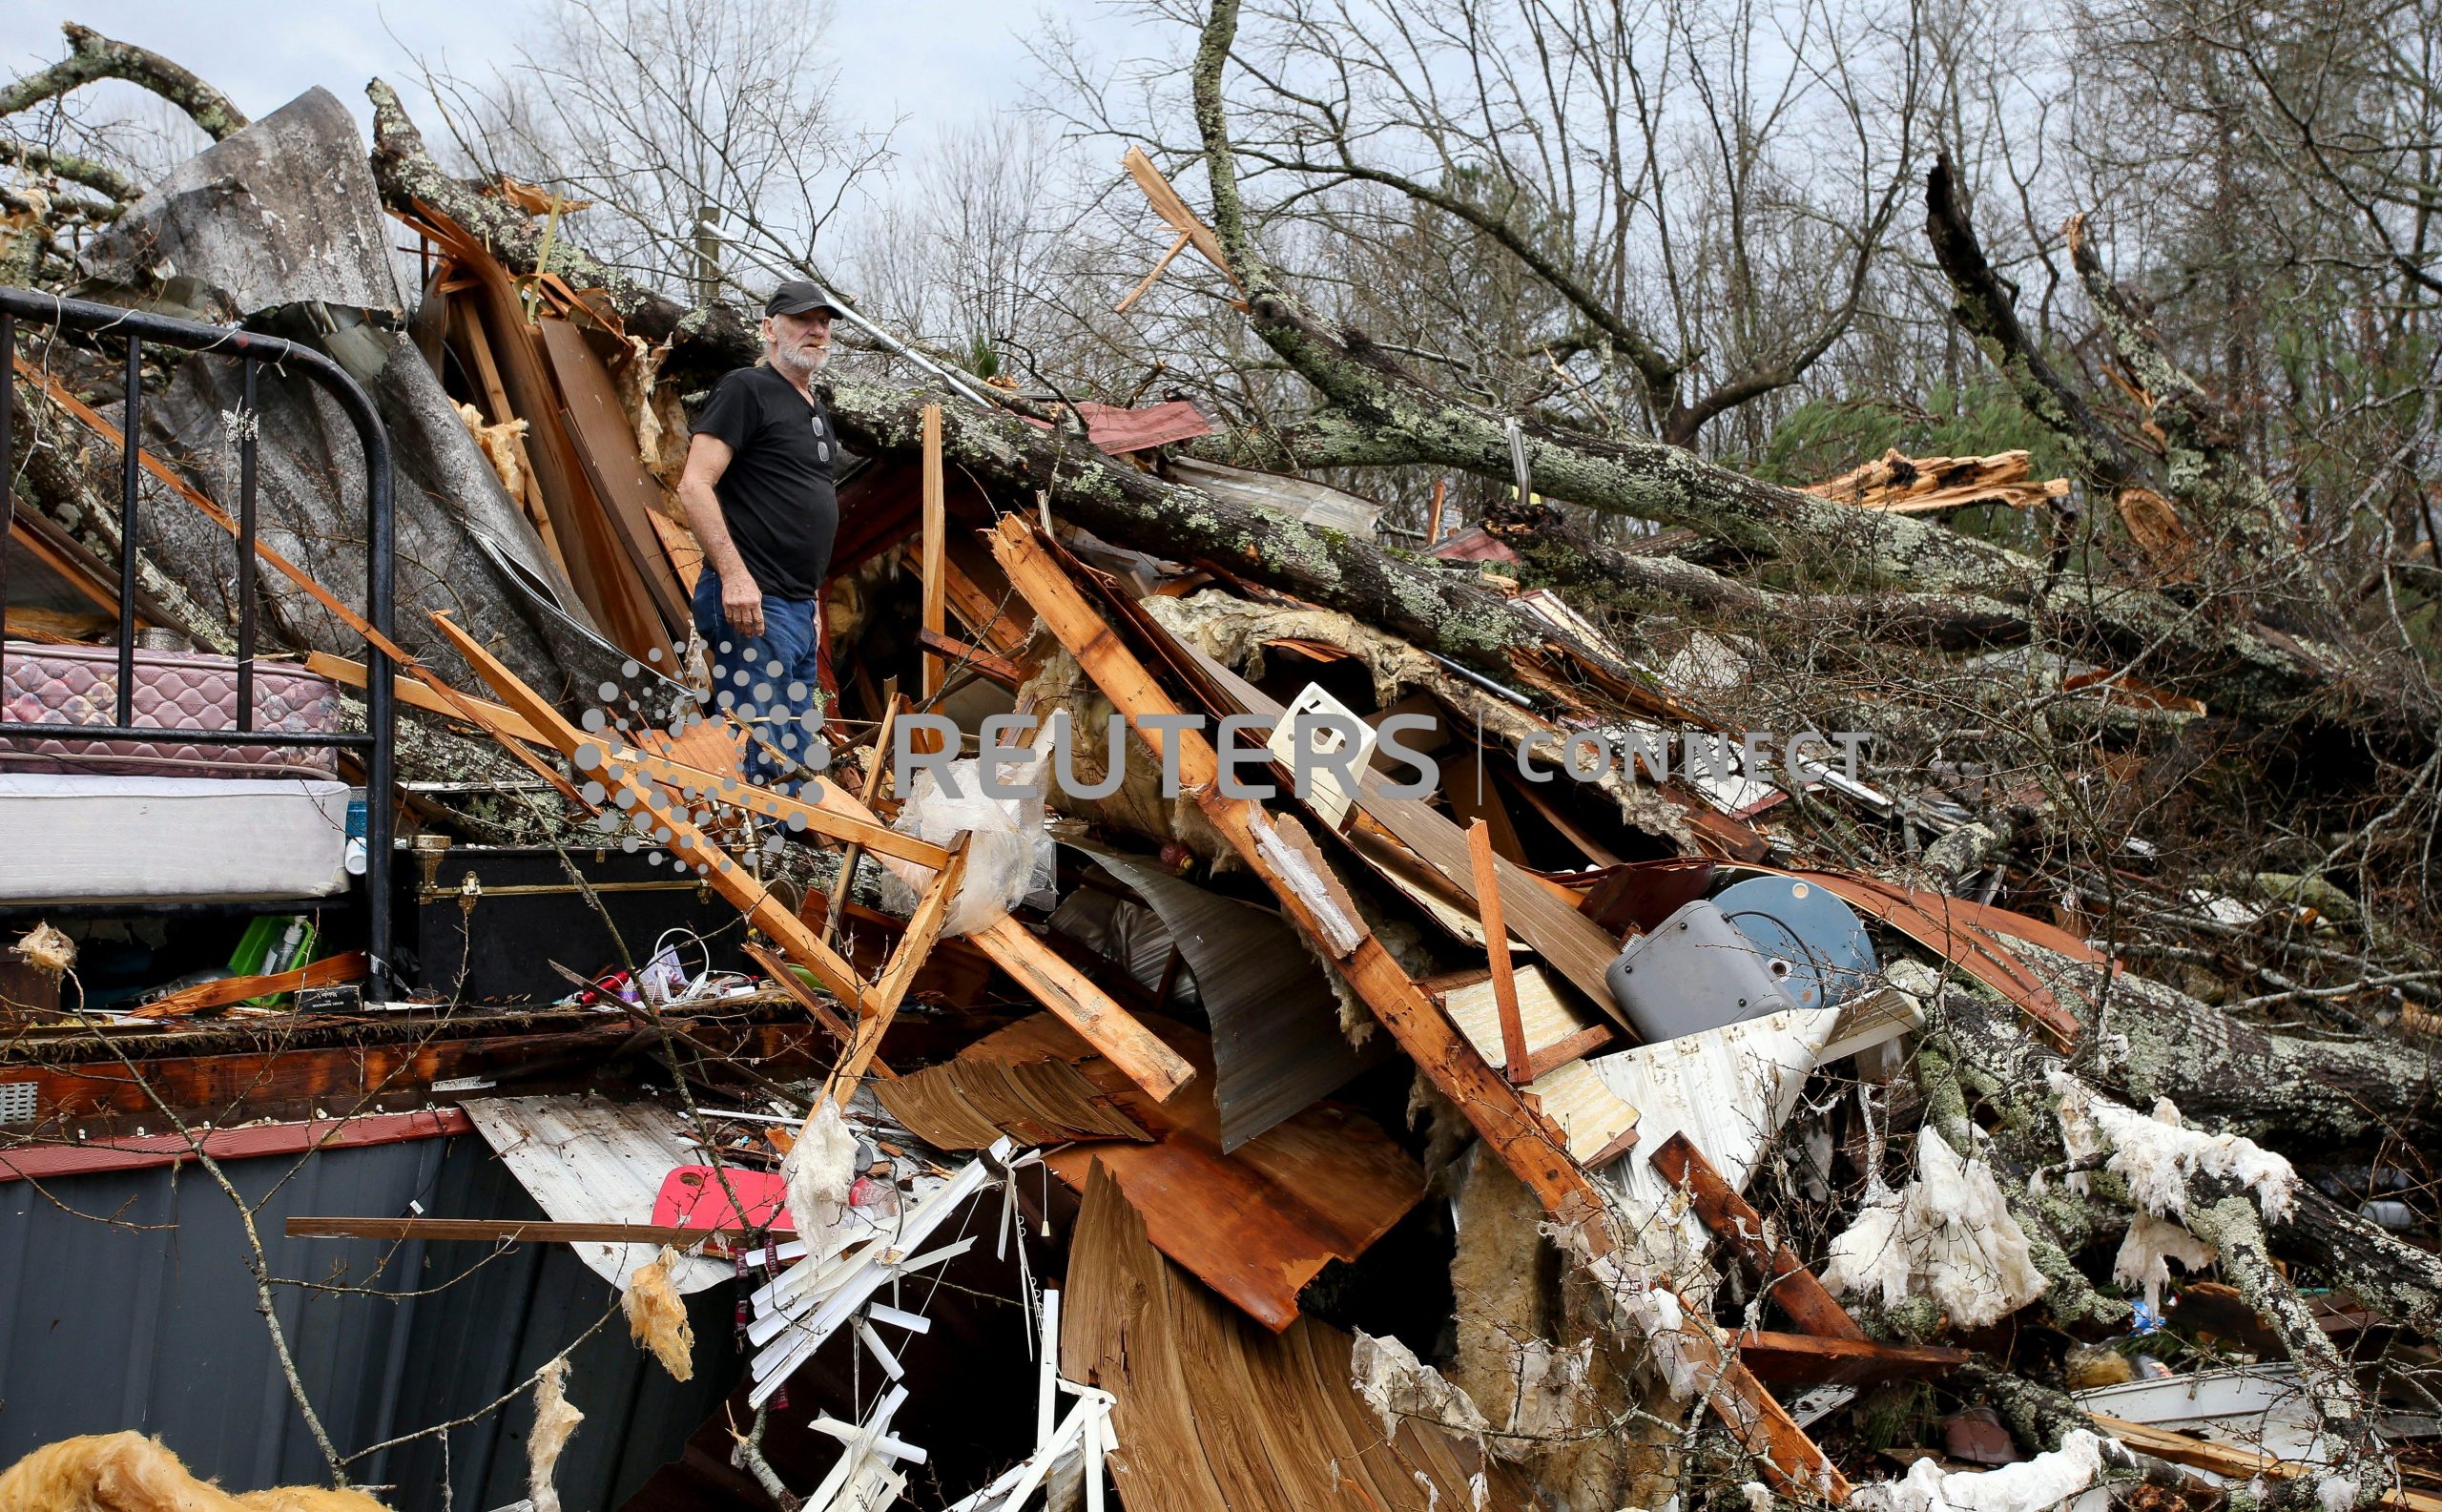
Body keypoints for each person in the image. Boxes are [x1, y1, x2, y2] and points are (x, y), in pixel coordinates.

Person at [675, 280, 845, 792]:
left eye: (823, 321)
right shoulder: (746, 389)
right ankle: (753, 858)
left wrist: (811, 598)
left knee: (792, 747)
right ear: (769, 329)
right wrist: (735, 577)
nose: (816, 330)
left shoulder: (815, 408)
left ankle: (787, 861)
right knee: (762, 746)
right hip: (754, 602)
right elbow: (694, 485)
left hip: (794, 607)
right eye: (801, 320)